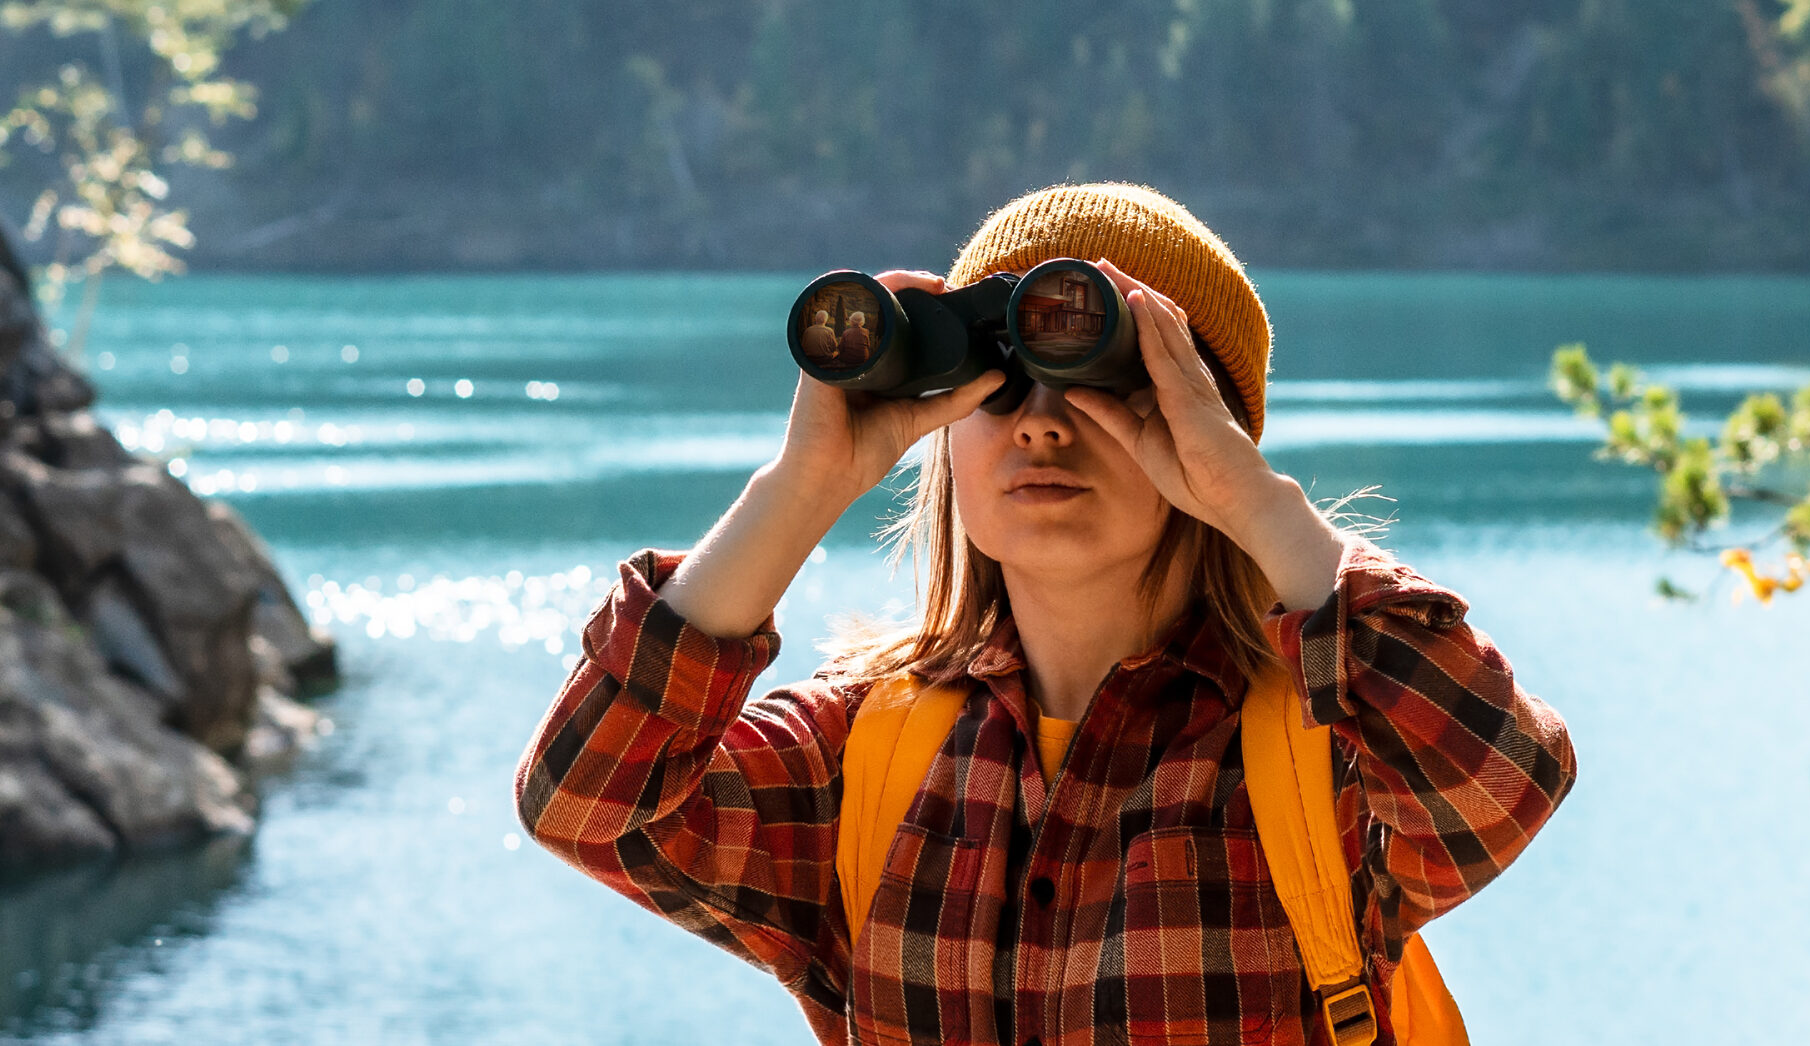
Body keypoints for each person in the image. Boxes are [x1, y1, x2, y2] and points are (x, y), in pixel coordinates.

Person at [514, 183, 1577, 1045]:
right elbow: (585, 800)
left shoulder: (1318, 751)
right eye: (995, 381)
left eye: (1098, 377)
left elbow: (1498, 780)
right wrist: (801, 487)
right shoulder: (868, 761)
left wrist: (1253, 500)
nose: (1039, 424)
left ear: (1202, 425)